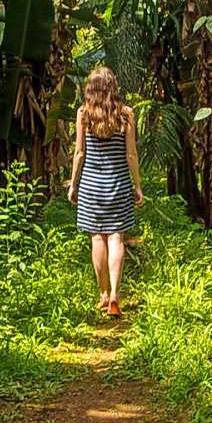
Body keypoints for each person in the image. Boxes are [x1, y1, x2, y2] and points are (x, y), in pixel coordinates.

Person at [67, 66, 143, 317]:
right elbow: (130, 154)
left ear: (91, 88)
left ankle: (102, 293)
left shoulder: (83, 114)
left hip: (91, 186)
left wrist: (73, 183)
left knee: (97, 238)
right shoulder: (126, 114)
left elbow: (79, 153)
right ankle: (114, 295)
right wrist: (137, 185)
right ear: (113, 87)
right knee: (116, 237)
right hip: (119, 184)